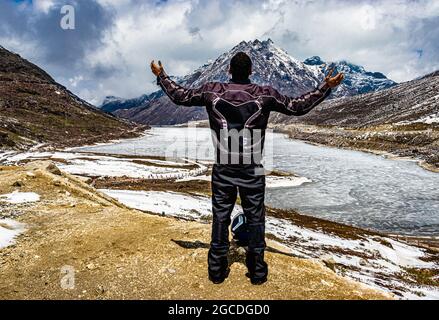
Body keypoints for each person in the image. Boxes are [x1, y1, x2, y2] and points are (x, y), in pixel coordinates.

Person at [150, 51, 343, 285]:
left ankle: (217, 271)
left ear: (229, 70)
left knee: (221, 218)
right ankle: (257, 272)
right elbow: (297, 106)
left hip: (224, 168)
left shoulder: (211, 91)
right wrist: (325, 87)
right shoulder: (265, 94)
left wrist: (161, 76)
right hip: (252, 169)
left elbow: (180, 96)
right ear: (251, 72)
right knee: (255, 219)